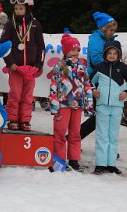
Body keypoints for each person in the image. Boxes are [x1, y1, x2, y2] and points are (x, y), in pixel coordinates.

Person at [1, 0, 45, 131]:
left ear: (27, 8)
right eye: (16, 9)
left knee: (27, 97)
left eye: (21, 8)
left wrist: (39, 64)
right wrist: (10, 63)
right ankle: (13, 119)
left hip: (31, 70)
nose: (18, 11)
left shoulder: (36, 25)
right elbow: (4, 46)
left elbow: (41, 47)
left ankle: (25, 121)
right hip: (16, 68)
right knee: (14, 95)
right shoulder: (10, 25)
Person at [50, 34, 94, 171]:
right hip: (62, 105)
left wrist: (89, 103)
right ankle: (59, 160)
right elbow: (54, 86)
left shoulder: (82, 66)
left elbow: (87, 85)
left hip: (77, 105)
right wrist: (54, 106)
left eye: (78, 50)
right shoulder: (59, 66)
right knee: (60, 132)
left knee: (75, 133)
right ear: (66, 50)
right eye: (73, 49)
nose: (76, 52)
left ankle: (74, 159)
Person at [91, 41, 127, 174]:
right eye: (109, 53)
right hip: (102, 106)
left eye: (115, 53)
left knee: (113, 136)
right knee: (101, 135)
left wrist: (126, 92)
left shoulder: (123, 67)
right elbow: (89, 81)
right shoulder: (99, 67)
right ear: (105, 54)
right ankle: (100, 164)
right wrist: (93, 90)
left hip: (117, 106)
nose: (112, 55)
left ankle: (111, 164)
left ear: (119, 54)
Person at [80, 12, 118, 139]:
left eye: (114, 30)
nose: (113, 32)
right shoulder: (96, 39)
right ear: (104, 28)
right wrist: (115, 63)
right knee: (100, 116)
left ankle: (75, 140)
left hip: (107, 80)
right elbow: (96, 59)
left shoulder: (109, 40)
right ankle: (74, 139)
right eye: (111, 30)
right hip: (97, 80)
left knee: (104, 116)